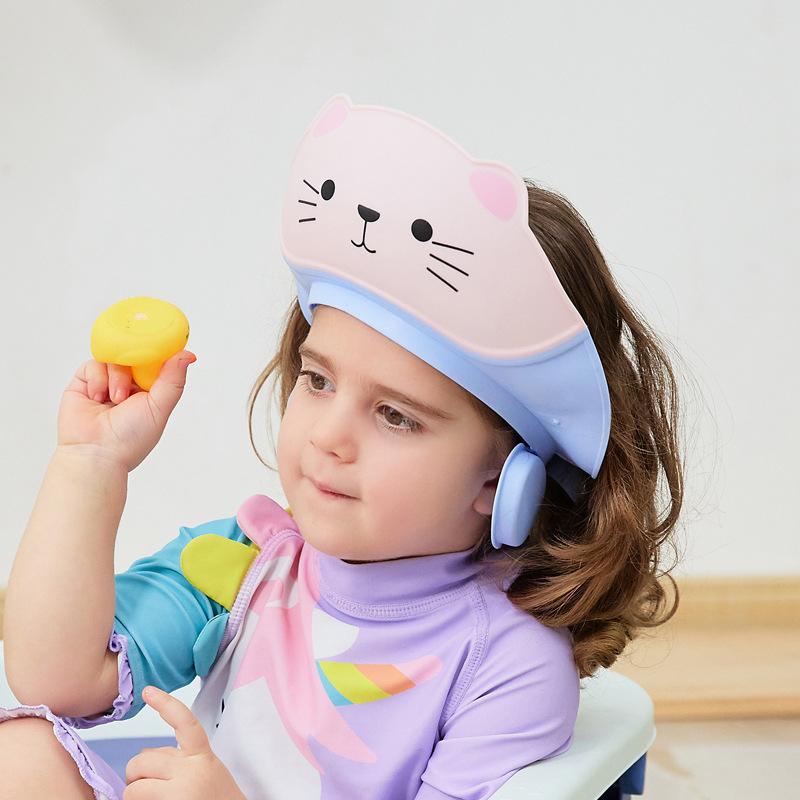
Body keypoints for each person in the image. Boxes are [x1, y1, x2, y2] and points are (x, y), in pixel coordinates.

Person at [0, 95, 686, 800]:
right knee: (20, 754)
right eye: (319, 380)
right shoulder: (246, 561)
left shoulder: (507, 665)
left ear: (504, 479)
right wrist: (89, 465)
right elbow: (55, 681)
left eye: (395, 416)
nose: (328, 436)